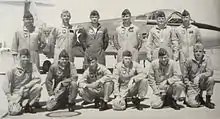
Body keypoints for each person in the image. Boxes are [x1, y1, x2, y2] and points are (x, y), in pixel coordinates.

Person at [2, 49, 42, 116]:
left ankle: (28, 105)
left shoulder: (32, 66)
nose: (26, 59)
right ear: (19, 57)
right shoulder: (13, 68)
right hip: (16, 92)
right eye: (23, 57)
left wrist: (25, 87)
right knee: (14, 112)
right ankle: (19, 104)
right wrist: (9, 97)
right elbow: (5, 83)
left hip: (27, 90)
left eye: (27, 57)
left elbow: (38, 79)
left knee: (38, 87)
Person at [183, 43, 215, 109]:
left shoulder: (207, 59)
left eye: (200, 51)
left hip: (202, 83)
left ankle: (208, 100)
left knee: (211, 79)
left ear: (203, 52)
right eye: (196, 51)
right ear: (193, 52)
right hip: (192, 85)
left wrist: (199, 76)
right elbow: (184, 76)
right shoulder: (189, 61)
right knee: (194, 105)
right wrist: (189, 85)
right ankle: (189, 98)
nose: (198, 53)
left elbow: (210, 72)